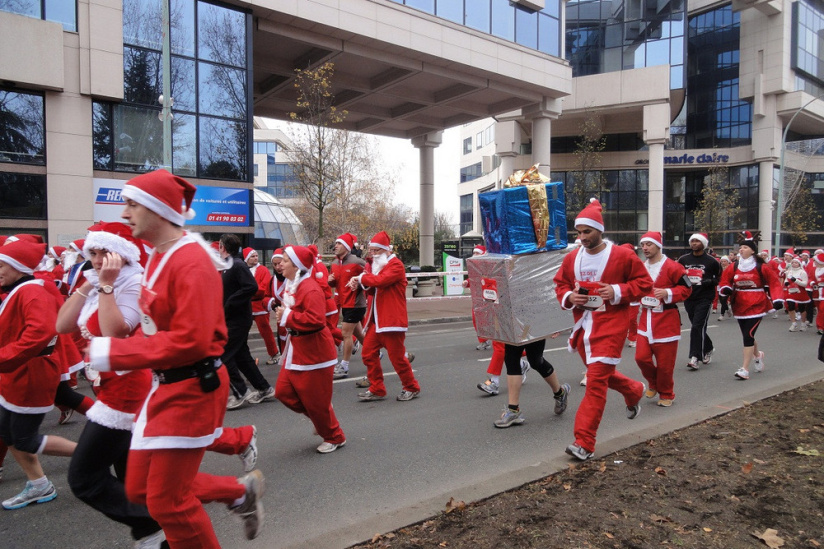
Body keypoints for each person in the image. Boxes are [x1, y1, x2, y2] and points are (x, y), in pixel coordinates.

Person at [85, 169, 264, 547]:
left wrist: (112, 352)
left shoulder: (191, 260)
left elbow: (193, 341)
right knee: (137, 489)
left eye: (132, 204)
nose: (124, 213)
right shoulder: (159, 256)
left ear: (158, 208)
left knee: (169, 503)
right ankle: (237, 492)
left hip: (192, 388)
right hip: (167, 386)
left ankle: (234, 496)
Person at [553, 198, 652, 461]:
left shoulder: (622, 255)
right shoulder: (572, 258)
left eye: (587, 231)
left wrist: (617, 290)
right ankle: (633, 390)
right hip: (583, 328)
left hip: (611, 326)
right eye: (579, 232)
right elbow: (560, 285)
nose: (582, 237)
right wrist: (569, 297)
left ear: (600, 229)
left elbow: (644, 284)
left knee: (595, 382)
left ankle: (584, 442)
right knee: (603, 375)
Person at [0, 239, 77, 509]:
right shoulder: (21, 288)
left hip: (30, 373)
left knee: (24, 438)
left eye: (1, 265)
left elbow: (39, 333)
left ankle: (94, 453)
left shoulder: (33, 290)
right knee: (7, 431)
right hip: (17, 371)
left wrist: (3, 357)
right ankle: (39, 484)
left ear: (18, 266)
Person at [274, 245, 346, 453]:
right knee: (283, 392)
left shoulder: (310, 288)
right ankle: (321, 419)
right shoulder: (293, 284)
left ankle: (335, 436)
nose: (280, 264)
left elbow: (315, 320)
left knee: (316, 402)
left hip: (315, 352)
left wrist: (287, 316)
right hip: (298, 349)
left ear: (296, 266)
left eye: (286, 261)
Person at [350, 231, 422, 402]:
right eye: (371, 250)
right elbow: (374, 286)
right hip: (379, 321)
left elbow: (379, 281)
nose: (372, 254)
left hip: (392, 321)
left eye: (376, 251)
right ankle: (377, 388)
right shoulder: (381, 266)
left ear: (386, 250)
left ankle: (411, 387)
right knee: (367, 354)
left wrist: (361, 278)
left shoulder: (396, 265)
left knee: (397, 359)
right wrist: (360, 283)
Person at [633, 232, 691, 407]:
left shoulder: (674, 267)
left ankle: (667, 393)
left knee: (665, 365)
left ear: (658, 245)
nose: (645, 248)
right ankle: (654, 383)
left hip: (666, 321)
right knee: (641, 358)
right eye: (643, 245)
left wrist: (668, 293)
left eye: (649, 244)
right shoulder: (640, 268)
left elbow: (687, 289)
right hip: (645, 320)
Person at [718, 231, 783, 380]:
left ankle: (744, 369)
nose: (741, 250)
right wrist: (726, 288)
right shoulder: (734, 266)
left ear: (753, 250)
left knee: (748, 335)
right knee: (748, 335)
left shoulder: (762, 267)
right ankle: (758, 355)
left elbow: (774, 283)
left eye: (745, 248)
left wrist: (777, 299)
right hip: (739, 304)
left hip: (757, 304)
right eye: (740, 248)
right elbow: (725, 280)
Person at [219, 235, 274, 409]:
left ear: (223, 247)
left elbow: (251, 286)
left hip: (238, 319)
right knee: (241, 356)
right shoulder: (230, 266)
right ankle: (264, 388)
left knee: (223, 353)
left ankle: (240, 392)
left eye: (219, 246)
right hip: (233, 317)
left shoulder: (237, 264)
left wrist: (230, 302)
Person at [492, 333, 571, 428]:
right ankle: (513, 410)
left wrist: (552, 327)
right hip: (514, 324)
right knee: (511, 359)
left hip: (533, 324)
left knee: (536, 361)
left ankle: (560, 393)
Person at [677, 232, 721, 370]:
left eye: (697, 241)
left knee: (697, 326)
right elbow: (678, 275)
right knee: (698, 327)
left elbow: (718, 279)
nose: (694, 243)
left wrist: (708, 281)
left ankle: (695, 357)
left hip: (705, 298)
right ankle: (708, 348)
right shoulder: (683, 260)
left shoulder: (712, 261)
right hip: (689, 297)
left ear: (703, 244)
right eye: (692, 241)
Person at [329, 233, 366, 380]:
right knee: (359, 335)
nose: (335, 246)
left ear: (346, 246)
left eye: (339, 243)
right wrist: (330, 281)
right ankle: (375, 353)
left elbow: (370, 277)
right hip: (345, 303)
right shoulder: (334, 263)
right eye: (335, 243)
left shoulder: (358, 262)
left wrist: (361, 283)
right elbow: (335, 284)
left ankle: (344, 366)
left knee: (346, 334)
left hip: (356, 304)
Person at [244, 247, 279, 365]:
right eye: (252, 256)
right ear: (247, 258)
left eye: (256, 256)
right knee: (242, 333)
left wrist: (249, 290)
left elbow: (263, 288)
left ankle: (274, 353)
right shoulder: (243, 269)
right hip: (246, 306)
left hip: (260, 306)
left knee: (266, 332)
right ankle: (243, 357)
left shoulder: (263, 270)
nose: (255, 258)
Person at [783, 255, 810, 332]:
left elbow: (805, 284)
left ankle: (803, 323)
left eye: (796, 263)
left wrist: (796, 280)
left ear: (799, 264)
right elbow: (786, 280)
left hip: (800, 292)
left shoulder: (802, 272)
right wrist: (787, 283)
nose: (794, 264)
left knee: (801, 308)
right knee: (790, 307)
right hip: (791, 292)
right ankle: (793, 323)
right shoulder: (789, 272)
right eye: (793, 262)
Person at [811, 253, 824, 335]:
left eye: (816, 261)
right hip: (816, 291)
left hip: (823, 291)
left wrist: (820, 280)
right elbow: (809, 278)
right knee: (819, 309)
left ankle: (821, 326)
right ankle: (820, 326)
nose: (814, 262)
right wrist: (811, 282)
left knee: (822, 309)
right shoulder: (814, 269)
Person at [717, 255, 732, 320]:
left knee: (724, 300)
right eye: (722, 261)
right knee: (721, 301)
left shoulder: (730, 268)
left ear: (728, 262)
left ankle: (721, 315)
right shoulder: (719, 269)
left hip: (727, 286)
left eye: (724, 261)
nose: (723, 263)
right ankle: (727, 309)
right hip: (720, 285)